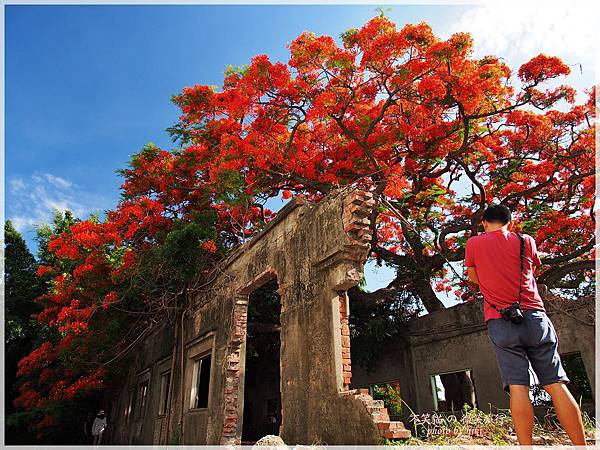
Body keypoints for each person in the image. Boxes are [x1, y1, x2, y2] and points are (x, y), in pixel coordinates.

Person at [464, 204, 586, 446]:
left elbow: (473, 278)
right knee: (556, 384)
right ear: (510, 221)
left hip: (501, 321)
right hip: (535, 317)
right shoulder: (525, 240)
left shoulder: (475, 243)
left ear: (485, 223)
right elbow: (530, 269)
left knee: (519, 388)